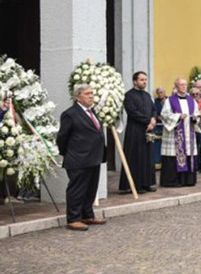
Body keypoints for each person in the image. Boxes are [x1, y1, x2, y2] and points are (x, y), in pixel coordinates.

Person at [55, 84, 107, 231]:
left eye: (92, 93)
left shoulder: (92, 111)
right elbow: (62, 137)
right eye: (87, 93)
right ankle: (73, 218)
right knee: (77, 190)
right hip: (78, 158)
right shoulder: (70, 114)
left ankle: (87, 215)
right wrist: (68, 153)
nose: (91, 96)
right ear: (78, 96)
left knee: (90, 189)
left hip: (94, 157)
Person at [119, 71, 157, 194]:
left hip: (148, 130)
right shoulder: (128, 95)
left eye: (145, 79)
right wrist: (148, 121)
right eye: (141, 80)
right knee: (136, 157)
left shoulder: (147, 95)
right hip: (135, 130)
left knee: (147, 157)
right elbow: (132, 112)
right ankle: (135, 184)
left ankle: (147, 183)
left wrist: (153, 119)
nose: (144, 82)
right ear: (135, 81)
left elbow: (153, 109)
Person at [160, 77, 199, 187]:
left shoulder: (192, 100)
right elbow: (164, 115)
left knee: (188, 154)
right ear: (176, 86)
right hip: (175, 134)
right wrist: (178, 116)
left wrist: (196, 118)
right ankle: (172, 181)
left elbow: (196, 113)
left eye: (185, 84)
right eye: (181, 84)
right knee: (173, 156)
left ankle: (188, 180)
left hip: (188, 133)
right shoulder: (170, 100)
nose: (183, 86)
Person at [152, 87, 166, 167]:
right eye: (159, 92)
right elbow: (153, 111)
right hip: (158, 125)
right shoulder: (155, 102)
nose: (160, 94)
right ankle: (157, 163)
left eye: (162, 92)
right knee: (158, 145)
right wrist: (157, 117)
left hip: (168, 125)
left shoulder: (169, 100)